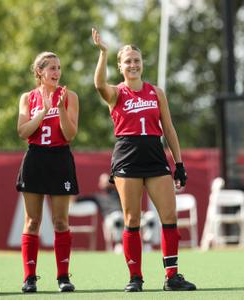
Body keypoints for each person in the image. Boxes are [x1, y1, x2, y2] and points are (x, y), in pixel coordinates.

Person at [92, 28, 196, 292]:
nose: (133, 65)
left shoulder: (155, 92)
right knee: (132, 219)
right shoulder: (116, 93)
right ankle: (135, 278)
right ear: (121, 66)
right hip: (128, 155)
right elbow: (98, 85)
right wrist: (103, 53)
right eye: (128, 61)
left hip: (154, 154)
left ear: (142, 64)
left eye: (137, 60)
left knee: (169, 216)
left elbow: (169, 129)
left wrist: (179, 164)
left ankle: (171, 276)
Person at [16, 51, 79, 293]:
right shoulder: (28, 98)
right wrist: (43, 111)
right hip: (35, 158)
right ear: (40, 72)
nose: (56, 72)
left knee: (61, 221)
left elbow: (70, 134)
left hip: (60, 158)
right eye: (51, 68)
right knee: (32, 222)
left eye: (59, 68)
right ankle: (29, 277)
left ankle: (63, 276)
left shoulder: (69, 96)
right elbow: (23, 132)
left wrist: (60, 107)